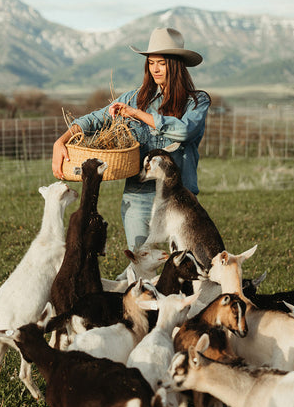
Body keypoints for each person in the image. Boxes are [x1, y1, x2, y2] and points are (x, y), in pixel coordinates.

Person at [52, 27, 210, 251]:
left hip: (180, 197)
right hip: (139, 196)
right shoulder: (134, 98)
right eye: (151, 62)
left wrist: (137, 114)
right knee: (141, 263)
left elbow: (184, 131)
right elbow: (95, 119)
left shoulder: (197, 102)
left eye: (161, 63)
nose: (155, 68)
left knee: (186, 264)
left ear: (175, 64)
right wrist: (61, 140)